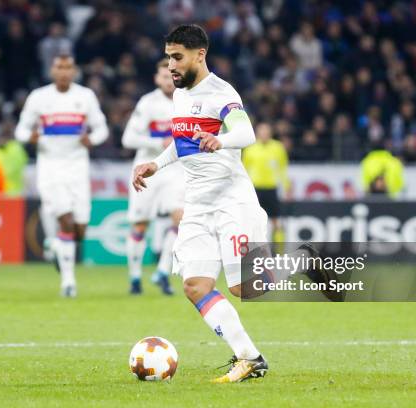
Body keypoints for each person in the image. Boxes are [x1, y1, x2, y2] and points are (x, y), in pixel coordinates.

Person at [133, 24, 274, 383]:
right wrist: (156, 163)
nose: (171, 66)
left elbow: (246, 133)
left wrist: (221, 140)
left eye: (177, 57)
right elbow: (181, 141)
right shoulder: (180, 95)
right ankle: (249, 358)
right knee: (195, 285)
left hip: (231, 198)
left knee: (246, 288)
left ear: (200, 54)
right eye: (167, 58)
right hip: (196, 201)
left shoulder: (221, 92)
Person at [15, 54, 109, 298]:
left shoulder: (85, 96)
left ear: (74, 71)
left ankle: (57, 245)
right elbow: (21, 129)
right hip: (51, 167)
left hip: (78, 168)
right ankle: (68, 282)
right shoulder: (39, 97)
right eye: (60, 67)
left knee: (79, 230)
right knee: (65, 221)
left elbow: (102, 128)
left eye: (68, 68)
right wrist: (30, 137)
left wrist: (93, 139)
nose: (64, 72)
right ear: (52, 70)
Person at [122, 59, 184, 296]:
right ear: (157, 79)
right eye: (164, 76)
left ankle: (162, 271)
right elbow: (128, 139)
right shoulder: (147, 103)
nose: (168, 80)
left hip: (175, 170)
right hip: (147, 170)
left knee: (181, 219)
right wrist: (158, 142)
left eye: (172, 75)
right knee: (140, 224)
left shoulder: (188, 101)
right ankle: (135, 278)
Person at [242, 122, 289, 246]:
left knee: (276, 222)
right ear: (257, 133)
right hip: (255, 190)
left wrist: (287, 186)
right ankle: (251, 252)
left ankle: (280, 252)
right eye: (262, 131)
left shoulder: (278, 147)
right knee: (252, 222)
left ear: (270, 133)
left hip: (271, 188)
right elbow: (244, 170)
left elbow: (283, 168)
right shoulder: (250, 149)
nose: (264, 134)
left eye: (266, 131)